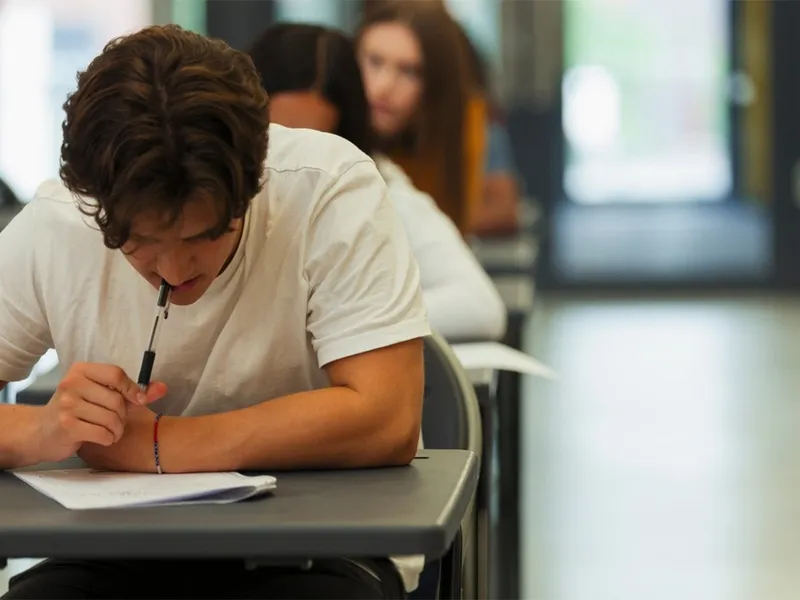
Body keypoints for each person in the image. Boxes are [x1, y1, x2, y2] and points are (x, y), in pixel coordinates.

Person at [0, 24, 428, 599]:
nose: (174, 271)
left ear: (253, 182)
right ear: (97, 204)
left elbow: (388, 417)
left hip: (313, 550)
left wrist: (159, 445)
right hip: (116, 552)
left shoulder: (327, 188)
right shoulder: (59, 220)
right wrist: (46, 429)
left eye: (205, 236)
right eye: (140, 242)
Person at [247, 23, 506, 341]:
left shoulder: (372, 183)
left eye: (315, 143)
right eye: (276, 137)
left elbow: (480, 307)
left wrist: (338, 318)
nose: (290, 165)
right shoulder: (215, 185)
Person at [355, 0, 486, 235]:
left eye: (409, 71)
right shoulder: (327, 129)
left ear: (437, 85)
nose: (383, 86)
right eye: (374, 61)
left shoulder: (462, 123)